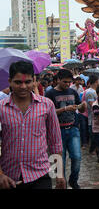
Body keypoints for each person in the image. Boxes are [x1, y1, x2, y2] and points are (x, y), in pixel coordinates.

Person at [0, 61, 65, 189]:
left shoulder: (47, 105)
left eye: (28, 82)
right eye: (18, 82)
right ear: (10, 81)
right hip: (9, 177)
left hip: (40, 175)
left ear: (34, 81)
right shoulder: (1, 108)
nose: (23, 86)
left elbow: (55, 142)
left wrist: (58, 174)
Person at [45, 69, 86, 189]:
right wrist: (65, 109)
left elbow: (80, 109)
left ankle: (73, 181)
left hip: (73, 128)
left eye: (69, 82)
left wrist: (82, 107)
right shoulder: (50, 94)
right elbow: (48, 113)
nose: (67, 84)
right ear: (58, 80)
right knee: (59, 161)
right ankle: (60, 183)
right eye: (65, 82)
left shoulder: (73, 92)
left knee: (77, 157)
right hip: (56, 131)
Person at [82, 75, 99, 154]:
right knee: (93, 135)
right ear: (96, 81)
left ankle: (95, 149)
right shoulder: (90, 92)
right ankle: (93, 150)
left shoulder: (94, 91)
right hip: (92, 117)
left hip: (96, 117)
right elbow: (92, 104)